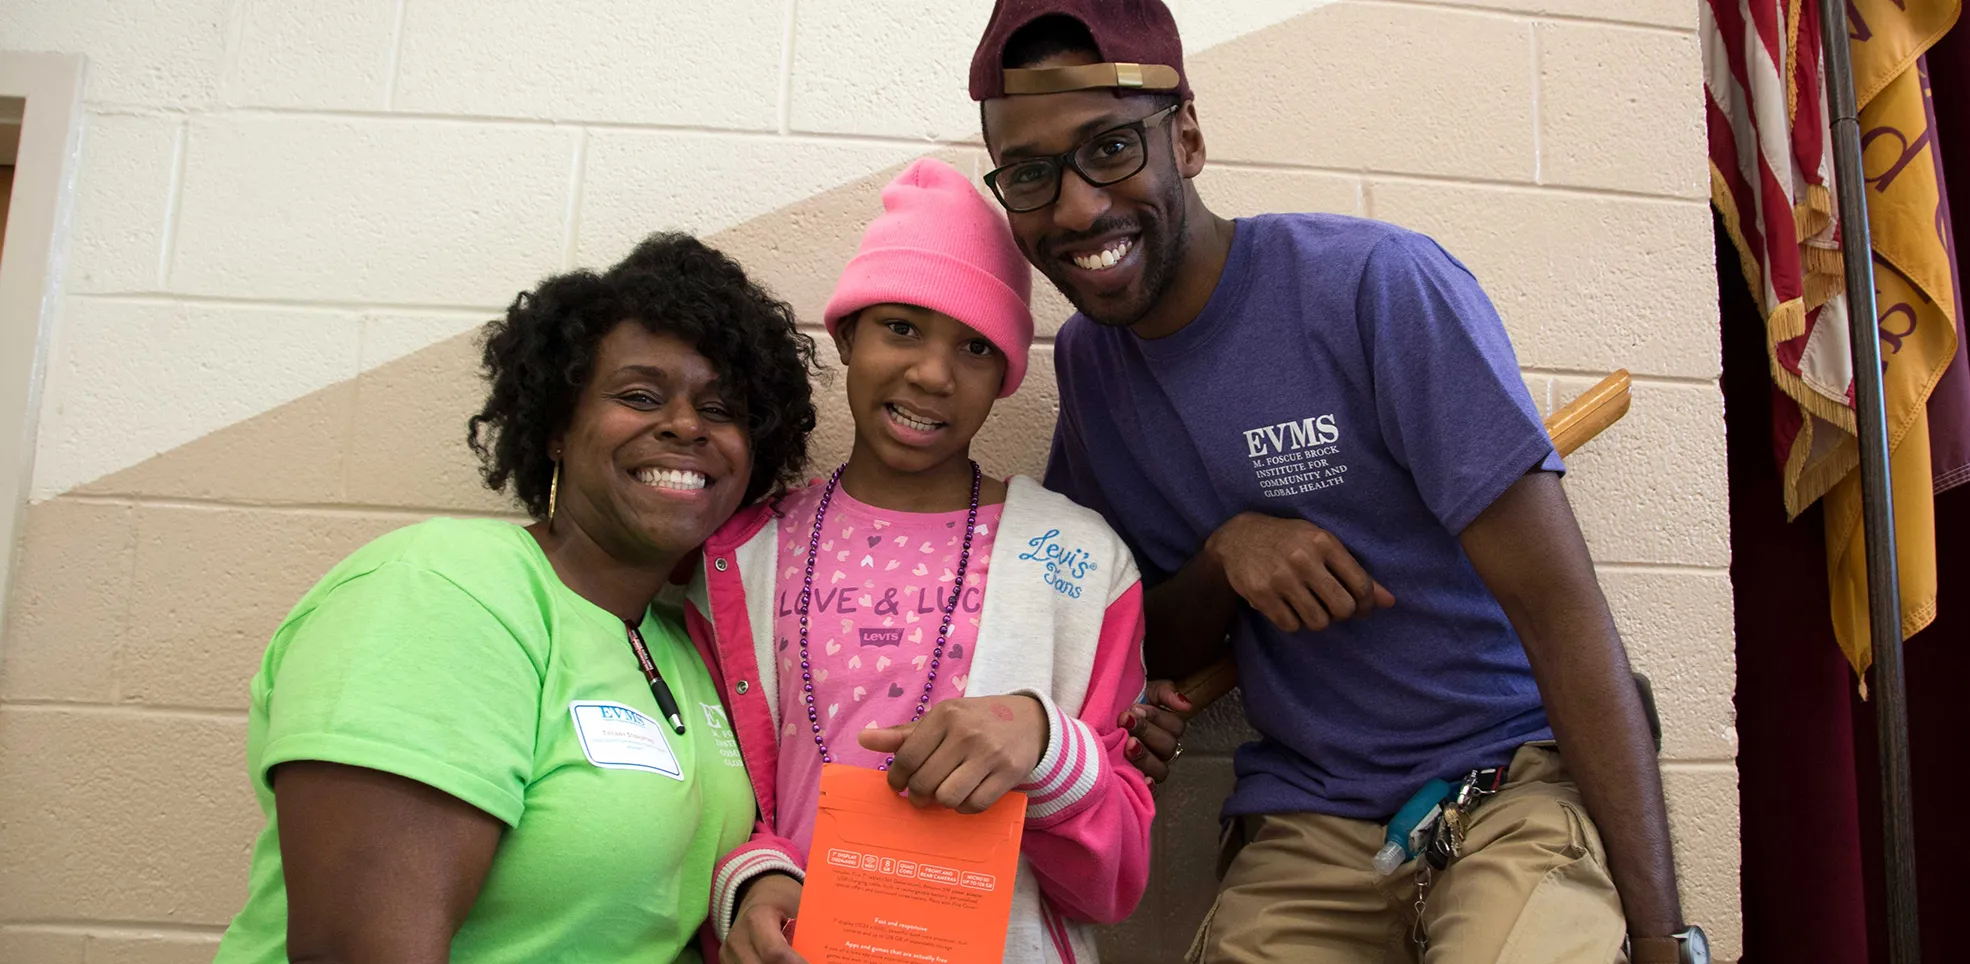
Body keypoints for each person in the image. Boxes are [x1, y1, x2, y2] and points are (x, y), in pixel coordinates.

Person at [968, 3, 1709, 964]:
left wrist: (1661, 936)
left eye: (1111, 147)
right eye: (1031, 175)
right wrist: (1226, 557)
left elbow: (1563, 616)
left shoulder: (1374, 286)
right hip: (1311, 817)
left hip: (1512, 783)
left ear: (1185, 137)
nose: (1075, 208)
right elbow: (1142, 636)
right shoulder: (1094, 366)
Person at [211, 233, 819, 964]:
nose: (686, 425)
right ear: (558, 427)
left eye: (721, 409)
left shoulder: (678, 643)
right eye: (640, 396)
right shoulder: (443, 593)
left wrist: (759, 883)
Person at [686, 158, 1155, 964]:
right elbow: (701, 801)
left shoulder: (1079, 564)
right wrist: (751, 882)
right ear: (845, 335)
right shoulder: (742, 558)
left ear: (1006, 378)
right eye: (901, 327)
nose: (933, 374)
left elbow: (1114, 883)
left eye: (975, 347)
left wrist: (1046, 748)